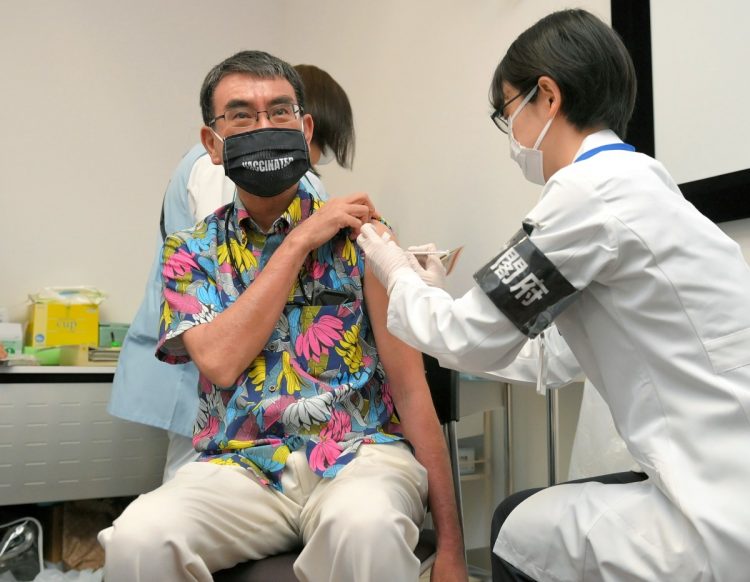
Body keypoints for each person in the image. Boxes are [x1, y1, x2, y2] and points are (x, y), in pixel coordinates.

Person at [357, 8, 750, 582]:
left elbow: (466, 339)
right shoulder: (644, 182)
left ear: (547, 97)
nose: (511, 137)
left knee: (518, 527)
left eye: (507, 111)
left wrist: (396, 269)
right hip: (725, 472)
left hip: (717, 506)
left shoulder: (585, 196)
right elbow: (554, 354)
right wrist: (441, 301)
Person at [98, 50, 466, 582]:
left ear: (305, 126)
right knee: (139, 537)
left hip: (359, 454)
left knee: (364, 527)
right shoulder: (190, 252)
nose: (264, 126)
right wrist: (300, 241)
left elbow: (412, 390)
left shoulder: (363, 237)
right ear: (212, 143)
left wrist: (452, 549)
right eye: (242, 115)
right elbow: (220, 363)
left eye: (280, 111)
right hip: (241, 466)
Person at [107, 63, 356, 482]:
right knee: (193, 500)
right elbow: (232, 274)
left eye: (283, 117)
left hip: (278, 399)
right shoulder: (222, 171)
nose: (307, 161)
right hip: (214, 375)